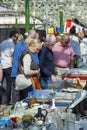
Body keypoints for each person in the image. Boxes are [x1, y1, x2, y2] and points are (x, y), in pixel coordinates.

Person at [0, 30, 19, 104]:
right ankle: (6, 100)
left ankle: (1, 99)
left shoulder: (2, 42)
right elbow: (12, 54)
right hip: (8, 65)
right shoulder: (11, 44)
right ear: (13, 36)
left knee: (1, 83)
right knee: (9, 84)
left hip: (2, 64)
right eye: (16, 37)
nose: (17, 38)